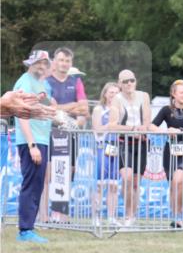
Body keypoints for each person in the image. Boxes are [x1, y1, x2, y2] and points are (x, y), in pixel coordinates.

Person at [41, 48, 89, 222]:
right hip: (49, 132)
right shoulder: (46, 82)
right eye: (61, 60)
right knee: (48, 175)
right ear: (54, 61)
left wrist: (62, 108)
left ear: (71, 63)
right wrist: (72, 106)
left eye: (67, 61)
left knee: (68, 173)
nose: (64, 64)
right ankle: (44, 215)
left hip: (71, 133)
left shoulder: (76, 81)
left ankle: (62, 214)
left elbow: (84, 108)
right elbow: (48, 108)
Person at [12, 51, 54, 243]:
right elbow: (21, 114)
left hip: (42, 139)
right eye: (38, 63)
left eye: (45, 63)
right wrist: (32, 144)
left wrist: (58, 116)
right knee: (31, 184)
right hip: (32, 141)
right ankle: (25, 230)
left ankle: (30, 227)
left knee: (37, 184)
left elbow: (48, 107)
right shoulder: (25, 82)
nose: (42, 66)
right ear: (31, 63)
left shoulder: (44, 85)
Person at [151, 79, 183, 228]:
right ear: (174, 94)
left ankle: (179, 216)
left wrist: (179, 131)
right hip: (170, 151)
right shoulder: (166, 110)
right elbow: (151, 126)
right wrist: (166, 131)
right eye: (182, 92)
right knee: (173, 185)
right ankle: (175, 217)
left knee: (179, 180)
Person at [108, 69, 152, 227]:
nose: (129, 84)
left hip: (141, 143)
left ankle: (132, 216)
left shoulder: (144, 96)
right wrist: (132, 129)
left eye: (131, 80)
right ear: (120, 84)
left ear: (135, 81)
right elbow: (112, 126)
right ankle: (127, 216)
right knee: (126, 178)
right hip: (124, 142)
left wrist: (143, 129)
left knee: (135, 183)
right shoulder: (117, 100)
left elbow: (147, 119)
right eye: (125, 81)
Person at [91, 82, 122, 226]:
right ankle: (96, 217)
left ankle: (111, 217)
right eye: (111, 92)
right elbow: (96, 129)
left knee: (113, 185)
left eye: (117, 93)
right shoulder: (99, 109)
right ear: (105, 94)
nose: (114, 95)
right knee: (99, 185)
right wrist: (109, 125)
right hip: (102, 148)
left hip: (116, 149)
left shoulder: (122, 110)